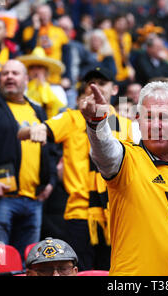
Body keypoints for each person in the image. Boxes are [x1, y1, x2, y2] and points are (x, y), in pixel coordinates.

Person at [77, 80, 168, 275]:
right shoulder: (126, 160)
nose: (156, 125)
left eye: (164, 117)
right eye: (149, 117)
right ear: (137, 121)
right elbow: (105, 151)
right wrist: (97, 122)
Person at [18, 66, 133, 271]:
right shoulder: (72, 118)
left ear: (114, 89)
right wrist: (34, 129)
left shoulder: (126, 125)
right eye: (91, 83)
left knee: (114, 274)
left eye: (101, 83)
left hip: (117, 215)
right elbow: (25, 134)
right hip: (80, 213)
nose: (95, 87)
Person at [0, 59, 58, 260]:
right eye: (5, 73)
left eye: (15, 73)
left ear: (26, 79)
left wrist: (51, 181)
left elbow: (51, 149)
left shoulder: (37, 110)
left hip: (33, 200)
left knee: (29, 266)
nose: (9, 77)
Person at [17, 47, 67, 118]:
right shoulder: (21, 89)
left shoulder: (57, 89)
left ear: (46, 71)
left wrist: (43, 86)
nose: (35, 70)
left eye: (39, 67)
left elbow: (61, 111)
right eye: (32, 67)